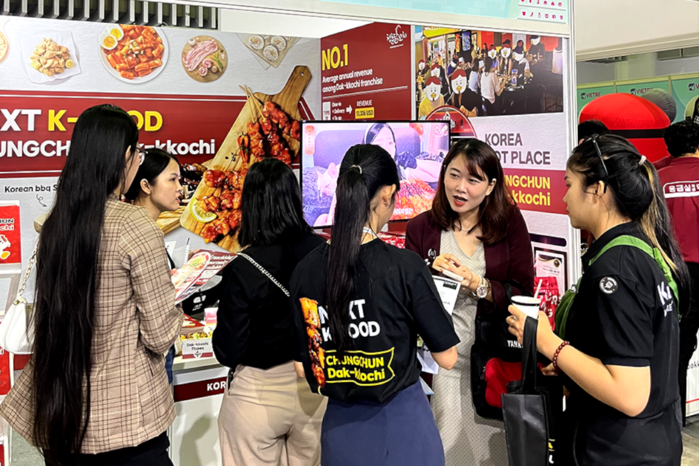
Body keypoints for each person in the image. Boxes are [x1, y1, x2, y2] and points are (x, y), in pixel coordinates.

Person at [0, 104, 182, 465]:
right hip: (125, 420)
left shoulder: (55, 221)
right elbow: (160, 334)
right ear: (125, 156)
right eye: (138, 152)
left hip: (60, 413)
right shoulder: (134, 224)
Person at [508, 134, 689, 466]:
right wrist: (569, 366)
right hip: (649, 442)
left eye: (569, 185)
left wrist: (548, 342)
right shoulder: (640, 250)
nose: (564, 197)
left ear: (597, 190)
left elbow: (629, 394)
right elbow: (630, 356)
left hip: (616, 452)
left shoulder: (616, 270)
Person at [290, 144, 459, 466]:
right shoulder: (405, 267)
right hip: (403, 428)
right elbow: (447, 357)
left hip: (341, 433)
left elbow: (303, 367)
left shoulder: (305, 271)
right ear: (387, 195)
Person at [405, 139, 534, 466]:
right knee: (444, 452)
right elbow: (406, 298)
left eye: (473, 179)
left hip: (493, 364)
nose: (460, 187)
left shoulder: (509, 225)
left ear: (490, 186)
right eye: (454, 175)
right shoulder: (421, 228)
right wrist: (425, 273)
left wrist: (479, 285)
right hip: (441, 366)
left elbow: (523, 292)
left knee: (492, 455)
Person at [213, 158, 327, 466]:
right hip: (315, 387)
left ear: (250, 204)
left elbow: (229, 349)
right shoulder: (323, 251)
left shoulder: (243, 265)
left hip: (257, 393)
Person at [124, 148, 183, 384]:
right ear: (146, 186)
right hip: (142, 360)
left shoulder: (147, 229)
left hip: (153, 354)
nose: (180, 188)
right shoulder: (138, 233)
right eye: (172, 179)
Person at [658, 120, 699, 425]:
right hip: (685, 272)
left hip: (677, 275)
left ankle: (675, 422)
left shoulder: (658, 180)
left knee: (679, 352)